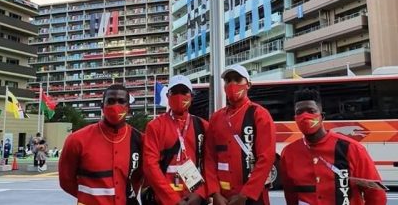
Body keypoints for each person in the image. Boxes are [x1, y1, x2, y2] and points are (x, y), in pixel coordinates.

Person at [280, 88, 387, 205]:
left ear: (322, 116)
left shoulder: (352, 149)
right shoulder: (289, 153)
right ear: (295, 118)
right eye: (299, 112)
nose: (305, 116)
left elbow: (376, 194)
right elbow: (290, 195)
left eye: (311, 111)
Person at [59, 84, 144, 205]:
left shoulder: (140, 140)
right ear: (102, 106)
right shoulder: (77, 140)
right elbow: (66, 181)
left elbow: (139, 178)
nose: (116, 106)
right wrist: (88, 199)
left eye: (121, 101)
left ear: (128, 107)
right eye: (110, 101)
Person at [205, 64, 276, 205]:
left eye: (237, 79)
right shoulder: (216, 118)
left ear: (248, 84)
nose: (232, 84)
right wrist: (215, 193)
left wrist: (245, 194)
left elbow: (266, 158)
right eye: (228, 80)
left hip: (253, 198)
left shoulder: (259, 114)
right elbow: (209, 158)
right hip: (223, 198)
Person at [144, 75, 208, 205]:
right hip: (163, 201)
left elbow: (210, 164)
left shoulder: (203, 126)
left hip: (195, 199)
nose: (179, 96)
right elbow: (150, 166)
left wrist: (200, 194)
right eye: (174, 92)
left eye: (184, 92)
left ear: (191, 96)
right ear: (168, 96)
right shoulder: (155, 126)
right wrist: (173, 200)